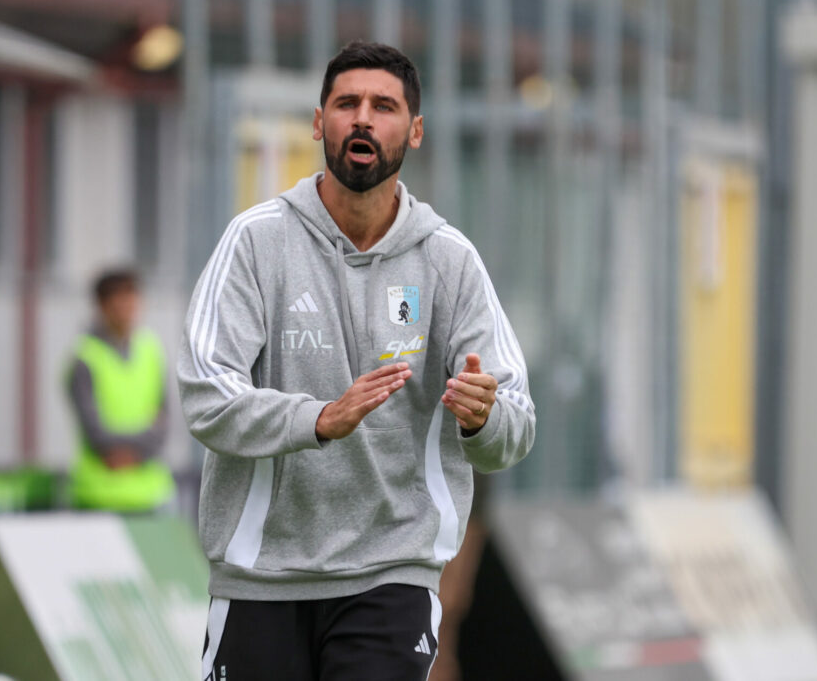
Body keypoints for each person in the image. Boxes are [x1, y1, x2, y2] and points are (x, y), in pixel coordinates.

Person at [177, 41, 535, 681]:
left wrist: (483, 420)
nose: (363, 118)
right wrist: (317, 419)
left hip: (391, 574)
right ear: (320, 123)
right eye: (347, 104)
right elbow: (206, 394)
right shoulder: (256, 242)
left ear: (415, 130)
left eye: (384, 106)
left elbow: (516, 420)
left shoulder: (449, 260)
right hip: (262, 576)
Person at [66, 267, 173, 512]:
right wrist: (138, 444)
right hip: (98, 496)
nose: (126, 308)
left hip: (151, 494)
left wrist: (134, 454)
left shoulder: (151, 349)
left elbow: (164, 421)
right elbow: (94, 431)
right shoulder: (85, 356)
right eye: (118, 300)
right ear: (101, 306)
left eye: (131, 298)